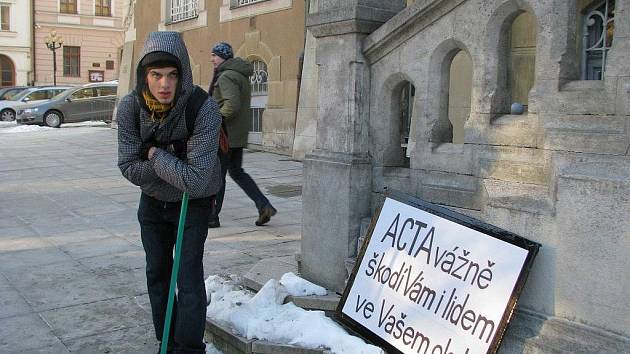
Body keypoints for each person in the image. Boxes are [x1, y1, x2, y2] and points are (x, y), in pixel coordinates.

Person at [117, 31, 222, 354]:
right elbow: (127, 167)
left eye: (172, 75)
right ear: (144, 76)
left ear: (183, 75)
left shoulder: (202, 108)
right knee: (158, 275)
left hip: (194, 203)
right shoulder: (130, 108)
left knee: (188, 278)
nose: (164, 84)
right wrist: (176, 158)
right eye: (156, 75)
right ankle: (166, 341)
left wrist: (154, 153)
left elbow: (196, 181)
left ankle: (188, 348)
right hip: (152, 204)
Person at [207, 41, 276, 228]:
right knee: (237, 172)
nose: (211, 58)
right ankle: (264, 205)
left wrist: (214, 119)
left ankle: (212, 217)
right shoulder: (238, 74)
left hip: (225, 135)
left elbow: (232, 105)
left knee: (217, 176)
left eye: (214, 55)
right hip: (235, 136)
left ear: (223, 57)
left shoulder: (226, 76)